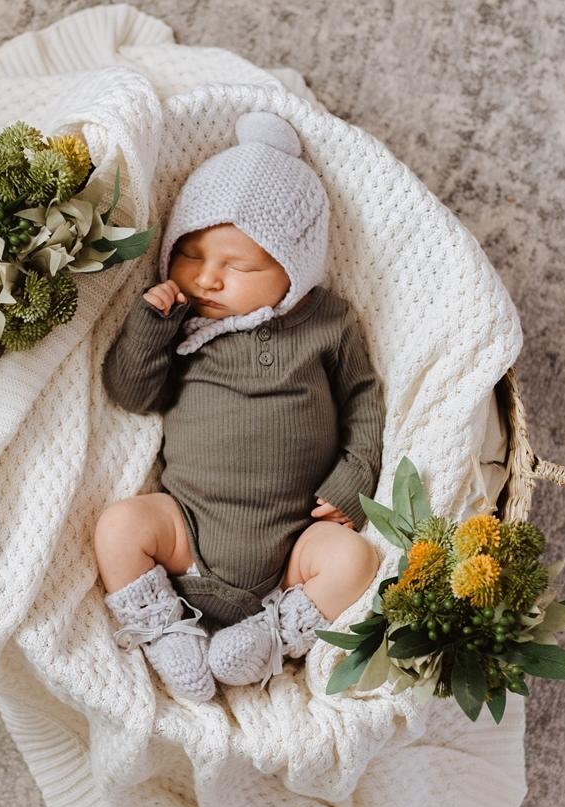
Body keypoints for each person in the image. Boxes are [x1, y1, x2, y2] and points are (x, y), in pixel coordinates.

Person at [96, 111, 385, 702]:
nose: (207, 280)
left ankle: (274, 634)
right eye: (191, 255)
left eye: (239, 266)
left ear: (292, 270)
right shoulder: (181, 323)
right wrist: (150, 329)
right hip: (187, 535)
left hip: (292, 554)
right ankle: (162, 630)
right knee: (121, 525)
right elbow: (131, 392)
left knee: (353, 557)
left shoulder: (327, 322)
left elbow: (363, 399)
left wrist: (355, 477)